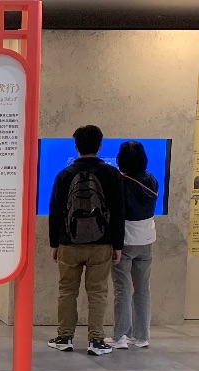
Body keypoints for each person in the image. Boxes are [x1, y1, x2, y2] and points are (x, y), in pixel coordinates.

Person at [48, 125, 125, 356]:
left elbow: (55, 211)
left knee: (67, 291)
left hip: (69, 243)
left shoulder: (64, 175)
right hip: (101, 243)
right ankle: (96, 340)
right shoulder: (112, 174)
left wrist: (55, 243)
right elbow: (118, 212)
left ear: (76, 147)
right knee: (98, 293)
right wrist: (117, 245)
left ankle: (64, 337)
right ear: (100, 146)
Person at [108, 141, 157, 349]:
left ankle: (121, 336)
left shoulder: (120, 182)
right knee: (143, 289)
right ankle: (142, 336)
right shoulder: (152, 180)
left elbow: (117, 214)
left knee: (122, 289)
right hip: (146, 240)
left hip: (125, 241)